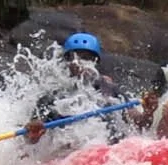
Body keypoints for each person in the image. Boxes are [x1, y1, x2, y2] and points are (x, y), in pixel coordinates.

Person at [21, 32, 155, 148]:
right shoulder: (51, 96)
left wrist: (148, 112)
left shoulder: (110, 89)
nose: (78, 63)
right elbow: (29, 139)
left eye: (86, 58)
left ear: (95, 62)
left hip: (108, 152)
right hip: (66, 157)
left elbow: (140, 125)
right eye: (74, 57)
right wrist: (31, 135)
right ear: (66, 62)